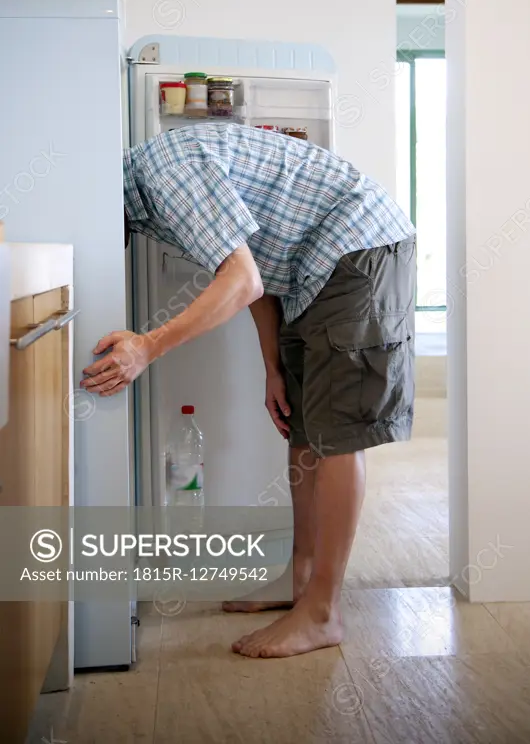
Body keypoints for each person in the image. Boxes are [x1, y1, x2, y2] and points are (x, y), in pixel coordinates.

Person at [82, 123, 416, 659]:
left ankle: (323, 612)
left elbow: (241, 281)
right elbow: (249, 266)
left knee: (337, 436)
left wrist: (148, 346)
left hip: (359, 249)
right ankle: (299, 579)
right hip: (313, 269)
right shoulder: (153, 189)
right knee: (303, 429)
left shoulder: (167, 175)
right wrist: (273, 365)